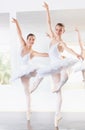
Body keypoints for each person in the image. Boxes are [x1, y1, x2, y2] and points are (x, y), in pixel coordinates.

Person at [30, 2, 82, 127]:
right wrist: (47, 9)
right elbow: (48, 22)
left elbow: (68, 49)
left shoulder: (61, 41)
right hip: (53, 66)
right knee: (55, 89)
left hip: (60, 64)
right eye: (57, 29)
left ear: (63, 31)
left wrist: (76, 54)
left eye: (60, 30)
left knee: (65, 77)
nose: (58, 31)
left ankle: (57, 108)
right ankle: (56, 113)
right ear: (55, 30)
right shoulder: (52, 37)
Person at [11, 18, 48, 120]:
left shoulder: (33, 52)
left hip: (30, 69)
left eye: (33, 39)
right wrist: (17, 23)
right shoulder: (23, 45)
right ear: (27, 40)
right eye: (30, 39)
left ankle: (34, 86)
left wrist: (56, 55)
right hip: (23, 72)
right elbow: (19, 34)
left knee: (42, 72)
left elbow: (44, 54)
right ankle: (28, 111)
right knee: (26, 93)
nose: (32, 41)